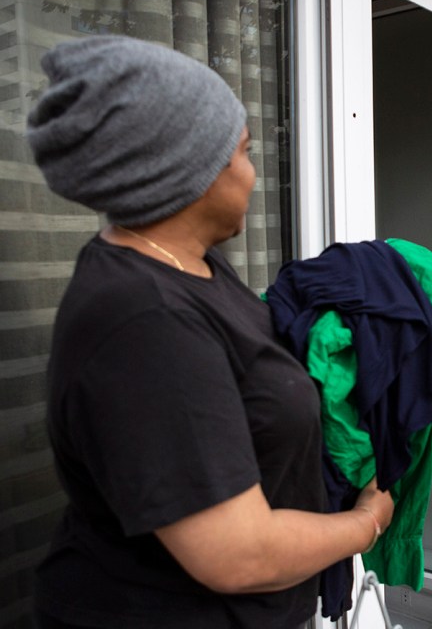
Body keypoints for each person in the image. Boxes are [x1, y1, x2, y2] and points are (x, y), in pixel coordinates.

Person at [27, 35, 393, 628]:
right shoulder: (146, 321)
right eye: (243, 153)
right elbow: (239, 555)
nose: (252, 175)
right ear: (185, 170)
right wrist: (366, 522)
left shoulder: (191, 266)